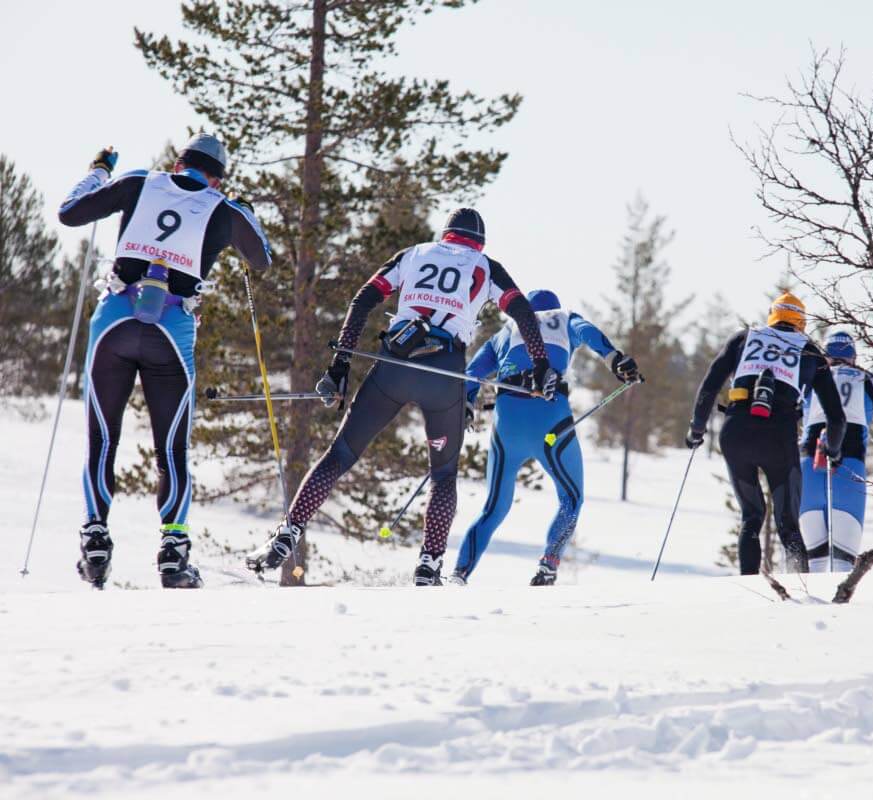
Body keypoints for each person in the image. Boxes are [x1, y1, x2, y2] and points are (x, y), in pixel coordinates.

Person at [246, 208, 557, 586]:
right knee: (443, 475)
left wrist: (340, 366)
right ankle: (429, 565)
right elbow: (523, 311)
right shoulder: (485, 265)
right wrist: (541, 366)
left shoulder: (414, 254)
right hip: (443, 371)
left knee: (340, 454)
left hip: (395, 362)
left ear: (445, 235)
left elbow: (362, 300)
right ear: (479, 242)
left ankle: (287, 534)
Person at [58, 135, 272, 589]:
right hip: (170, 334)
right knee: (172, 449)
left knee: (102, 439)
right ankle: (173, 554)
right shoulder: (224, 209)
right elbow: (263, 260)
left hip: (114, 322)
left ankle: (96, 540)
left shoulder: (140, 181)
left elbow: (69, 212)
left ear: (178, 164)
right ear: (217, 178)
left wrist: (99, 171)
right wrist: (247, 215)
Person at [450, 289, 640, 586]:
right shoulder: (565, 318)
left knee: (494, 507)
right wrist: (615, 358)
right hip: (551, 423)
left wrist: (464, 407)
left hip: (508, 423)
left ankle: (459, 574)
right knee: (571, 499)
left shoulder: (505, 330)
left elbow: (472, 374)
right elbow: (589, 333)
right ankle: (549, 564)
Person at [686, 292, 846, 575]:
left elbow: (709, 387)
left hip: (735, 432)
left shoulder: (743, 338)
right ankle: (801, 587)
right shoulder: (810, 350)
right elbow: (836, 417)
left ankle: (749, 587)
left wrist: (696, 431)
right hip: (778, 438)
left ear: (772, 315)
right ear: (801, 321)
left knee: (751, 517)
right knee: (787, 523)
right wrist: (833, 451)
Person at [799, 331, 873, 572]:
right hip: (849, 467)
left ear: (826, 356)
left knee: (813, 560)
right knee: (842, 560)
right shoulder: (865, 378)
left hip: (809, 466)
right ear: (853, 357)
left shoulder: (810, 377)